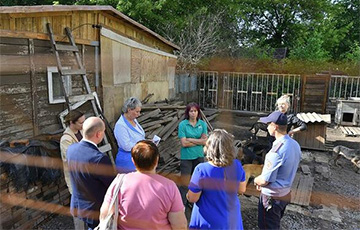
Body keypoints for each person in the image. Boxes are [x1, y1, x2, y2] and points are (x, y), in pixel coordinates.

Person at [99, 140, 187, 229]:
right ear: (156, 160)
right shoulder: (169, 187)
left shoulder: (119, 182)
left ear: (133, 161)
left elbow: (104, 214)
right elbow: (179, 225)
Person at [186, 129, 247, 229]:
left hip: (208, 221)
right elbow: (241, 190)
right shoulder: (237, 165)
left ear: (209, 147)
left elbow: (193, 198)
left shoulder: (201, 169)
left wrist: (187, 195)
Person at [254, 111, 301, 230]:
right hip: (285, 194)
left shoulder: (275, 152)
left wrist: (256, 180)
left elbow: (264, 180)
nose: (267, 126)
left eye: (268, 124)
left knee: (267, 227)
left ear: (274, 127)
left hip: (272, 198)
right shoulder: (295, 144)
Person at [68, 117, 115, 230]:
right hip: (95, 211)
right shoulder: (99, 159)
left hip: (78, 204)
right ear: (99, 134)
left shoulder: (71, 149)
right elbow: (112, 186)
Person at [60, 110, 86, 230]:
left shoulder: (82, 131)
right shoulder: (66, 139)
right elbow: (71, 159)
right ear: (72, 122)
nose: (83, 124)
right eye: (81, 123)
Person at [178, 102, 208, 205]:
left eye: (195, 111)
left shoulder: (202, 124)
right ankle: (183, 204)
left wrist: (190, 139)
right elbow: (184, 143)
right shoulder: (183, 125)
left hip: (199, 156)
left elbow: (205, 142)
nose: (193, 113)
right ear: (188, 112)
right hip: (186, 157)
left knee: (198, 180)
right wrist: (198, 141)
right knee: (185, 182)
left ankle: (196, 201)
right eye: (191, 111)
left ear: (198, 112)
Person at [114, 97, 145, 173]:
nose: (138, 114)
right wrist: (143, 145)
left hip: (137, 157)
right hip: (127, 161)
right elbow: (126, 146)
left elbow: (139, 136)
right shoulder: (120, 126)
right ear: (129, 110)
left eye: (139, 112)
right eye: (137, 112)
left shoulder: (134, 120)